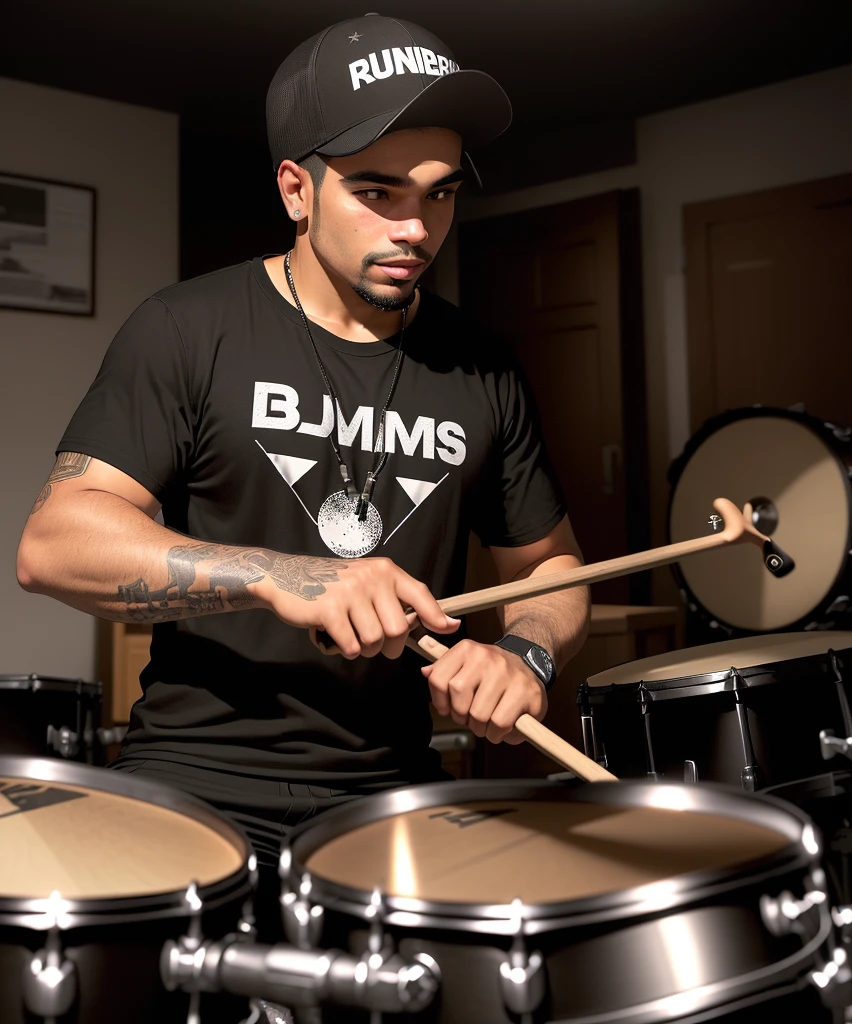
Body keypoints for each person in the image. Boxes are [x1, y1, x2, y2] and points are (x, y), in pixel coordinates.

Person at [17, 14, 590, 895]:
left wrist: (526, 655)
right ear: (297, 190)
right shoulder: (187, 328)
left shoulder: (484, 369)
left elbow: (552, 567)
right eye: (378, 192)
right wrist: (278, 575)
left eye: (438, 194)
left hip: (387, 795)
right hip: (195, 783)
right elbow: (54, 545)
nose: (416, 229)